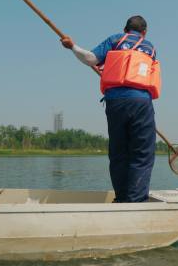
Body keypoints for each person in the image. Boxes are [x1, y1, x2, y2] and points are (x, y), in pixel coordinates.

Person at [60, 15, 158, 202]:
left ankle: (121, 198)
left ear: (125, 30)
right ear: (144, 33)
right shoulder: (150, 48)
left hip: (116, 104)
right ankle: (135, 200)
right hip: (141, 103)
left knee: (119, 152)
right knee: (142, 154)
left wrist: (72, 46)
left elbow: (90, 58)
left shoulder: (115, 39)